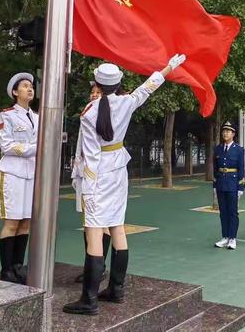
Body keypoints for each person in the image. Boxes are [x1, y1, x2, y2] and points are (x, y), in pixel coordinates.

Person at [63, 54, 186, 315]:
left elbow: (90, 155)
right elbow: (147, 87)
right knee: (117, 226)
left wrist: (88, 188)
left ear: (97, 83)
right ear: (118, 83)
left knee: (95, 231)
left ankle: (89, 299)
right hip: (119, 170)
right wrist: (169, 67)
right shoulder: (127, 102)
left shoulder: (89, 112)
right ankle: (116, 289)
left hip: (99, 174)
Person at [0, 72, 38, 284]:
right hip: (13, 172)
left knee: (25, 222)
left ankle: (18, 266)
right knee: (12, 222)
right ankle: (6, 269)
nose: (29, 88)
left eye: (30, 86)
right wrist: (35, 149)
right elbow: (7, 145)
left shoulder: (39, 118)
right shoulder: (8, 115)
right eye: (24, 86)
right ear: (15, 92)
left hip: (31, 174)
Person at [71, 82, 112, 284]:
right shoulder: (87, 113)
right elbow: (80, 144)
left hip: (99, 174)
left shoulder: (107, 114)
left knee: (99, 223)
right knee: (89, 223)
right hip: (84, 170)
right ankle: (93, 265)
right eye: (92, 92)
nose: (94, 95)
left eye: (99, 92)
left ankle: (98, 267)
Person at [213, 121, 245, 250]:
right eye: (224, 131)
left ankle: (232, 238)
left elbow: (241, 169)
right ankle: (225, 236)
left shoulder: (238, 150)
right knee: (223, 212)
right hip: (221, 183)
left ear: (233, 134)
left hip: (233, 184)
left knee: (232, 212)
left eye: (228, 131)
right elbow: (215, 168)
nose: (225, 133)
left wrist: (240, 187)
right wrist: (215, 185)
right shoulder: (218, 149)